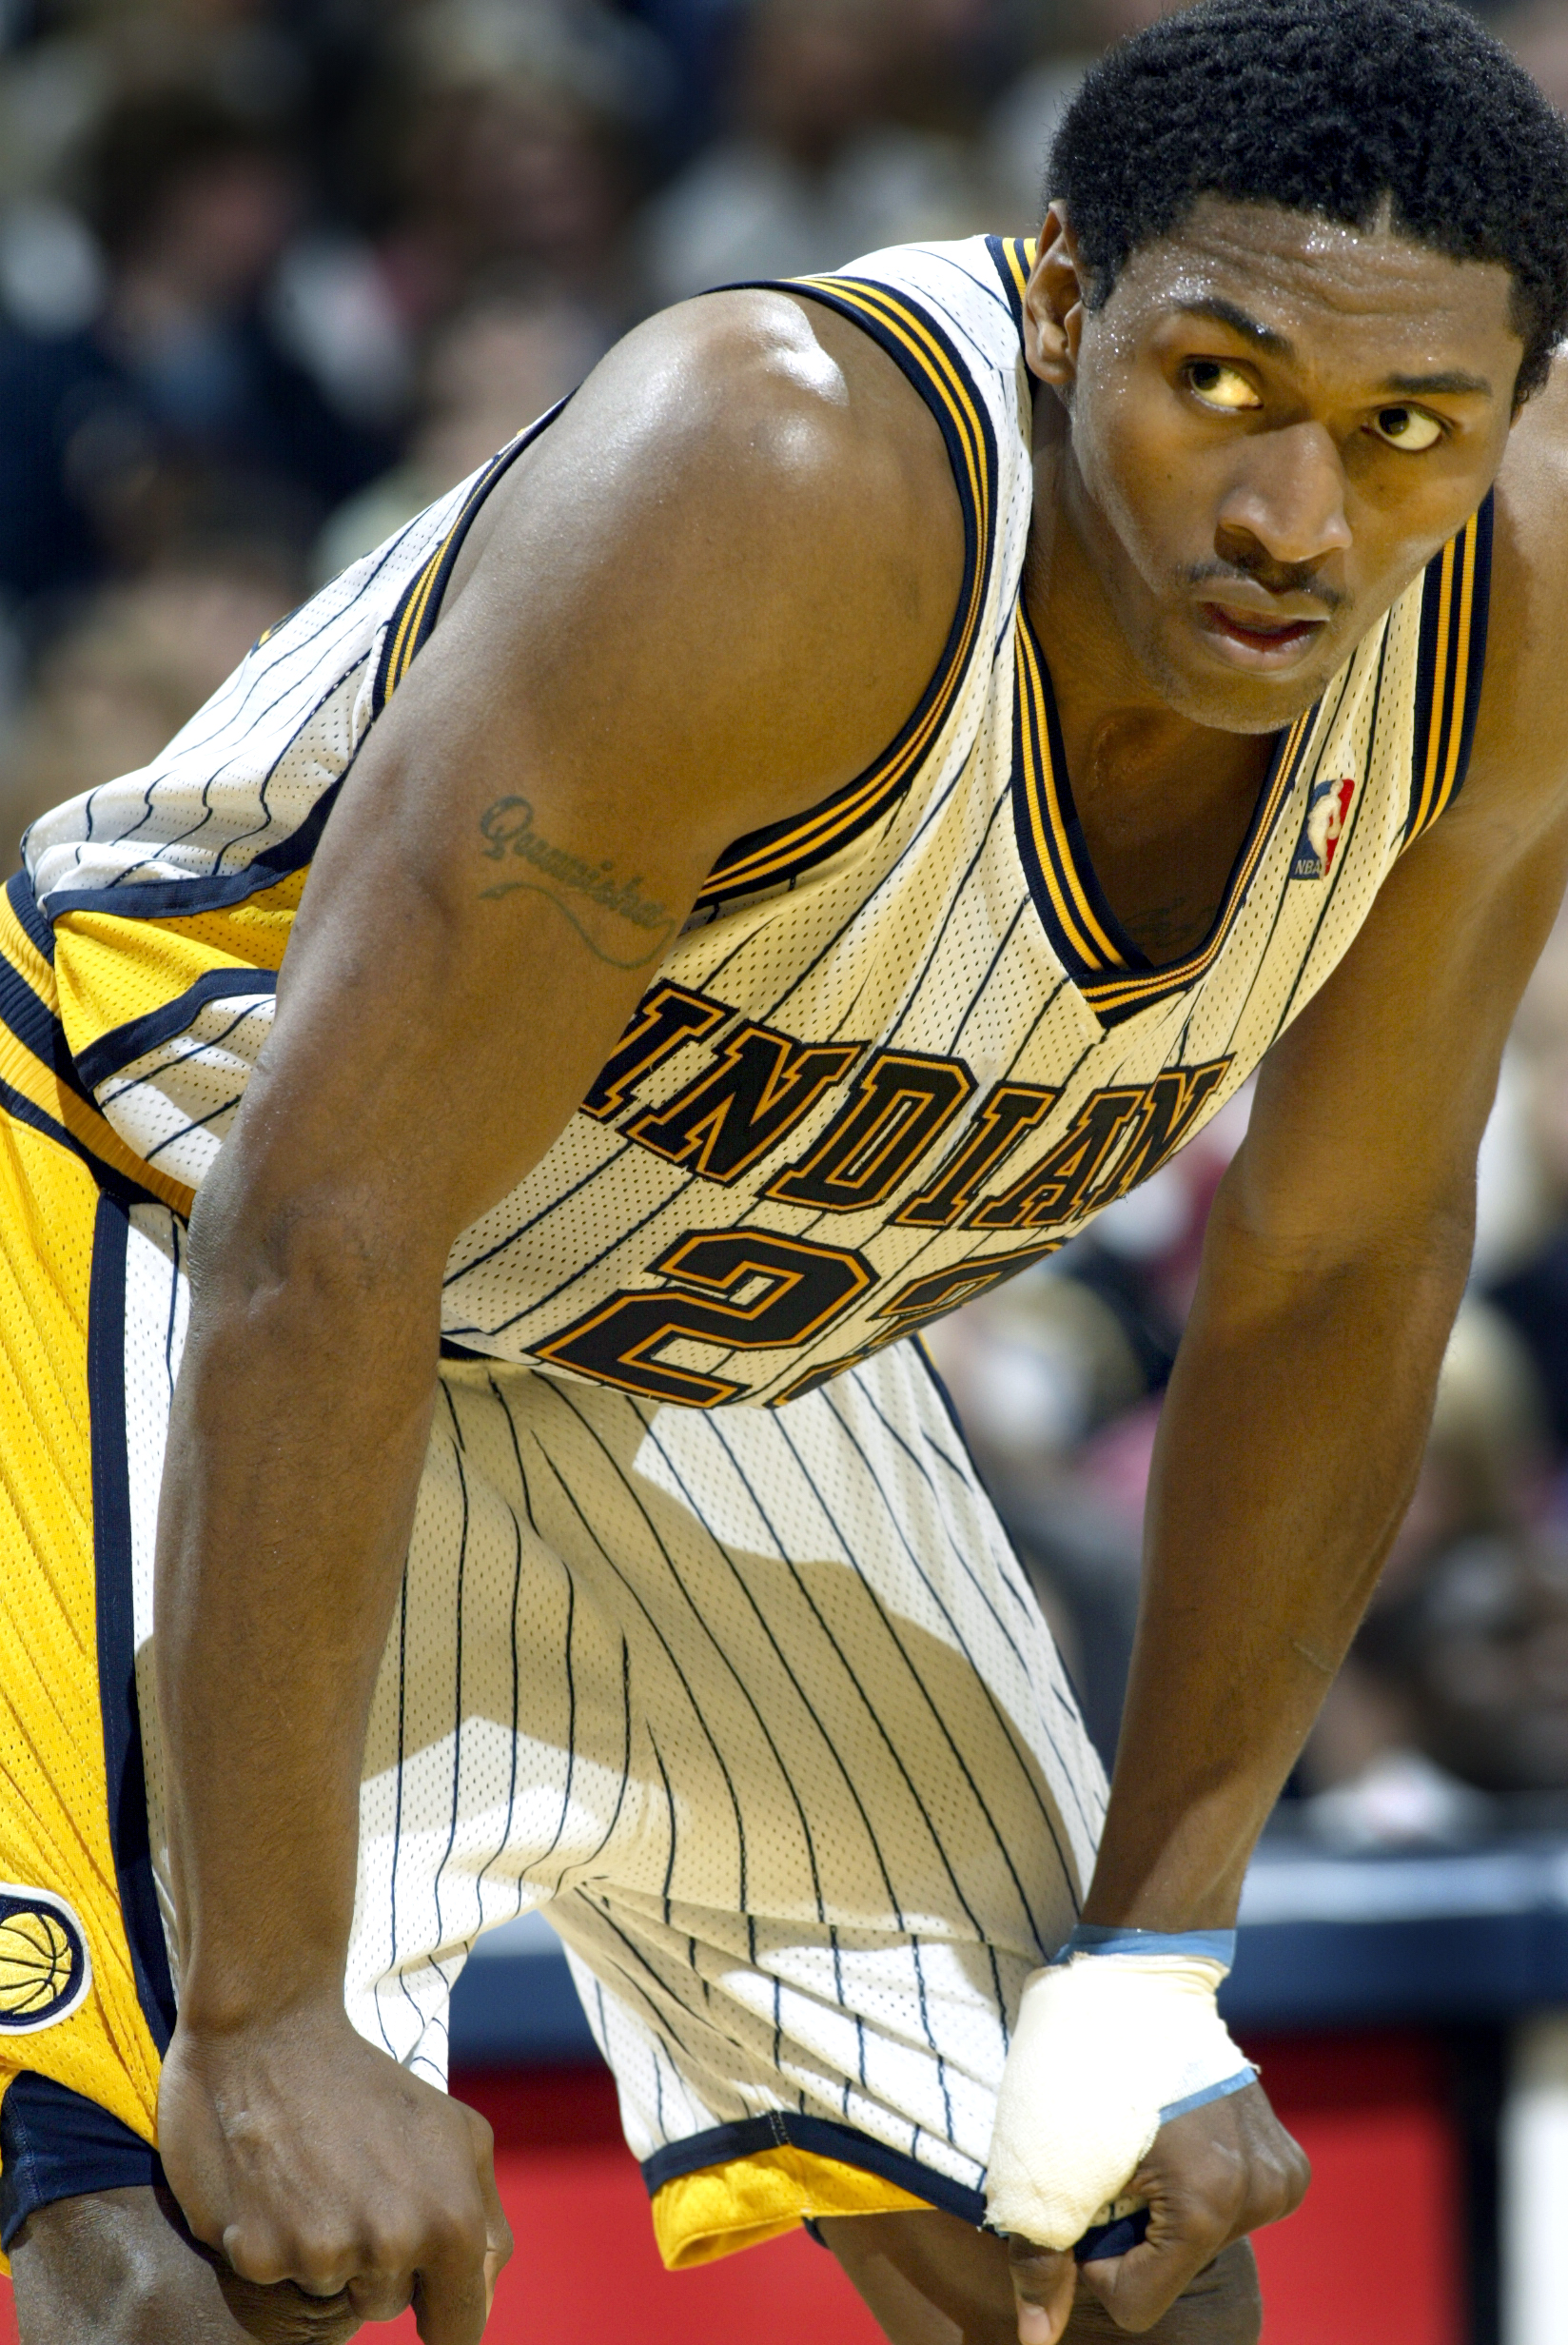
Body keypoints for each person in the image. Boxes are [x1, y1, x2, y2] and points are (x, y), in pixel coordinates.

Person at [3, 1, 1568, 2338]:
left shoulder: (1498, 634)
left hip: (692, 1342)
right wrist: (255, 2015)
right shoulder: (776, 478)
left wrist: (1155, 1949)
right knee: (216, 2260)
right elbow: (325, 1223)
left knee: (1111, 2268)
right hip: (180, 1206)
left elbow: (1335, 1264)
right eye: (1218, 386)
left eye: (1404, 432)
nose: (1291, 519)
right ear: (1059, 296)